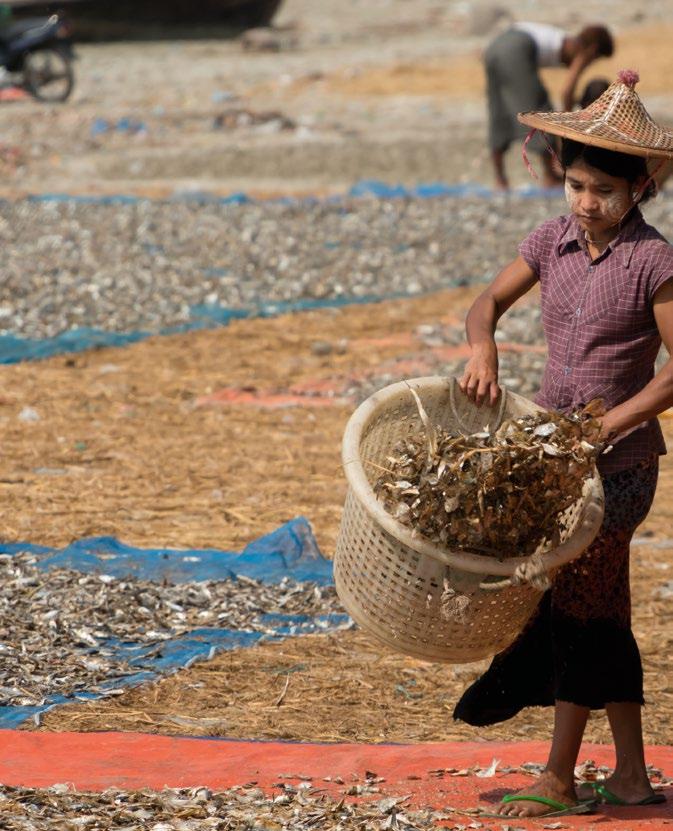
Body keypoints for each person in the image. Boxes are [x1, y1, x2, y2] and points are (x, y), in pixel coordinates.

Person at [457, 70, 673, 818]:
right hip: (553, 460)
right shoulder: (550, 241)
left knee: (580, 610)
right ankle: (632, 775)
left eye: (604, 191)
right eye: (575, 184)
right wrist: (481, 346)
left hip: (618, 468)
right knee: (597, 606)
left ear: (638, 188)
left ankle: (557, 775)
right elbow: (485, 302)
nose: (586, 202)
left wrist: (610, 423)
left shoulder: (654, 260)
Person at [484, 23, 614, 190]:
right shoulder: (581, 51)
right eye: (594, 60)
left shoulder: (565, 39)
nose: (589, 64)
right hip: (516, 47)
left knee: (499, 111)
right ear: (594, 50)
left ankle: (500, 180)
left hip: (495, 46)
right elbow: (567, 93)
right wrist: (568, 132)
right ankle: (550, 176)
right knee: (540, 111)